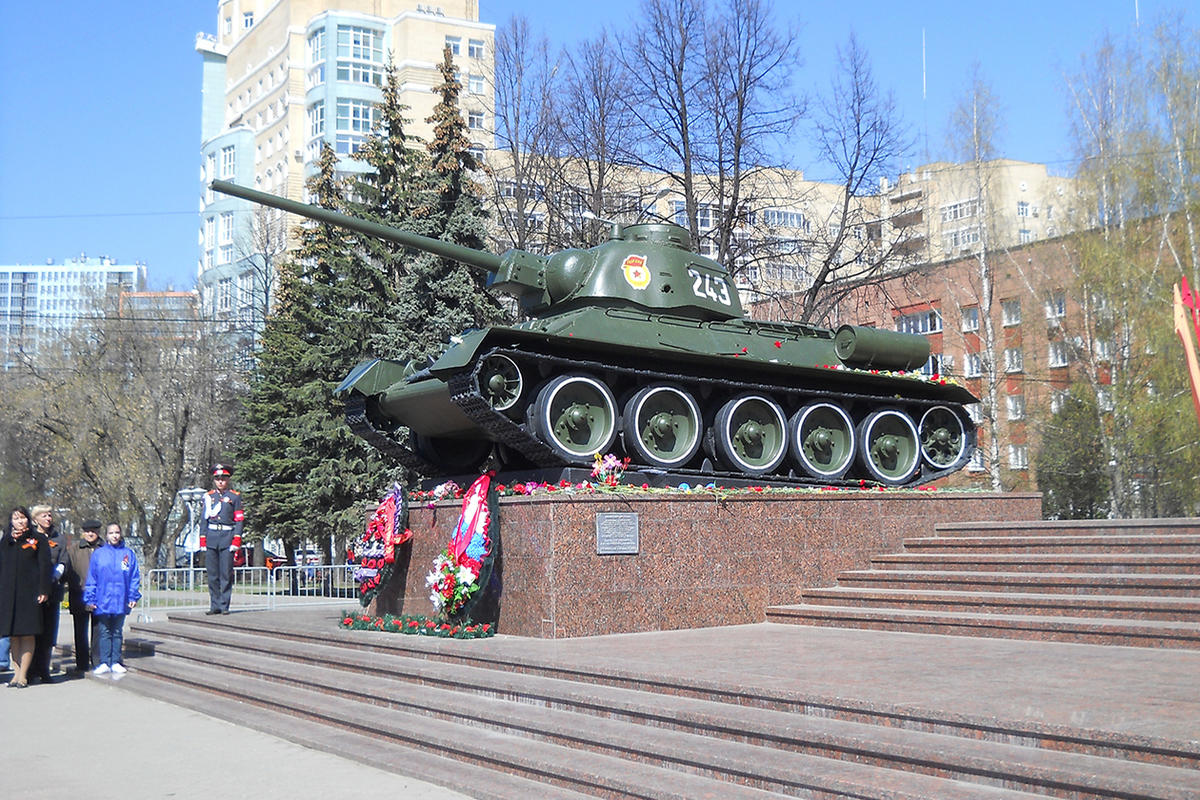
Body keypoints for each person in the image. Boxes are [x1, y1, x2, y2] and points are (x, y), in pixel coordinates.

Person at [0, 506, 50, 688]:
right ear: (11, 521)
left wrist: (44, 590)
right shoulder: (6, 541)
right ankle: (15, 673)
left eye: (22, 518)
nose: (20, 521)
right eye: (16, 518)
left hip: (30, 594)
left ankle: (23, 674)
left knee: (27, 633)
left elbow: (45, 566)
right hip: (8, 594)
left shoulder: (38, 539)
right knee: (13, 635)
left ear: (28, 519)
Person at [83, 522, 141, 675]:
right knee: (104, 632)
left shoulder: (128, 554)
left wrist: (133, 595)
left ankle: (115, 660)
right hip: (103, 600)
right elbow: (92, 578)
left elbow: (134, 576)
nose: (114, 535)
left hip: (121, 599)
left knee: (117, 631)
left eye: (117, 532)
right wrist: (90, 598)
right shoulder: (99, 554)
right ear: (106, 535)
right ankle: (104, 661)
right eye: (111, 533)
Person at [30, 504, 67, 683]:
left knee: (48, 632)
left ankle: (44, 669)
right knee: (32, 631)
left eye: (50, 515)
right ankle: (29, 670)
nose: (48, 518)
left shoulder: (58, 538)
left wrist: (53, 577)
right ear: (35, 518)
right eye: (44, 515)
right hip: (31, 591)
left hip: (52, 592)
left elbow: (63, 561)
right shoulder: (30, 537)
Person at [200, 463, 243, 615]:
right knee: (212, 574)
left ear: (228, 480)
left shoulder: (234, 497)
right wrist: (203, 539)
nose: (220, 482)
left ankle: (224, 605)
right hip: (212, 538)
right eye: (217, 479)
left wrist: (236, 540)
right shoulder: (208, 497)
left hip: (227, 538)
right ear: (214, 480)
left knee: (225, 573)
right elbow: (204, 519)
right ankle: (214, 605)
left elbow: (239, 520)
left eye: (223, 479)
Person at [66, 519, 103, 672]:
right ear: (83, 532)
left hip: (101, 597)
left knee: (98, 631)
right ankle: (81, 664)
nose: (90, 534)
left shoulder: (104, 548)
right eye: (87, 531)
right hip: (79, 595)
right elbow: (69, 571)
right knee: (80, 632)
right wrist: (76, 587)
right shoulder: (74, 549)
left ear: (98, 532)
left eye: (93, 531)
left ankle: (97, 661)